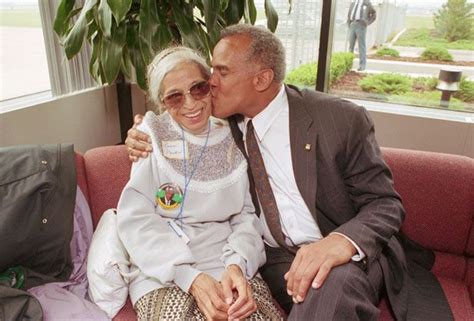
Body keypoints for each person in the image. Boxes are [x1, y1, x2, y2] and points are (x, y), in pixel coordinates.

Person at [126, 25, 453, 321]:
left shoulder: (339, 120)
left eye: (220, 72)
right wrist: (144, 132)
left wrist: (338, 241)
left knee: (326, 286)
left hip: (337, 256)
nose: (210, 83)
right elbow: (177, 137)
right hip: (273, 258)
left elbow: (386, 204)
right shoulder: (227, 127)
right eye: (211, 71)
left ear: (261, 79)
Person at [117, 46, 282, 320]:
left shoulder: (236, 136)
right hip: (163, 270)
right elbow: (137, 219)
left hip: (228, 263)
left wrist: (236, 265)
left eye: (198, 89)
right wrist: (189, 276)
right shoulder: (151, 138)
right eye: (174, 97)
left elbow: (246, 216)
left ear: (211, 86)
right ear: (161, 102)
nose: (191, 104)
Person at [347, 0, 377, 71]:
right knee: (351, 46)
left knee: (361, 46)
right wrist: (349, 23)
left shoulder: (367, 3)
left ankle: (362, 65)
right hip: (352, 24)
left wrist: (367, 22)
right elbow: (349, 15)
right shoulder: (353, 3)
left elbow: (374, 14)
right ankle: (348, 64)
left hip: (361, 25)